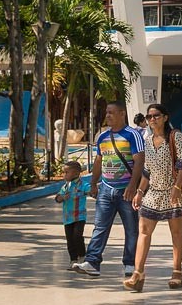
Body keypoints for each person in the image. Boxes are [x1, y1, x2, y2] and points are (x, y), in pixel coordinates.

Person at [72, 101, 145, 278]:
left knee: (131, 228)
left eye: (112, 112)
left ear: (122, 114)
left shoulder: (132, 135)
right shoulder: (102, 137)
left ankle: (130, 263)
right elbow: (99, 161)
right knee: (100, 227)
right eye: (107, 112)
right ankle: (92, 262)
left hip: (125, 190)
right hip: (106, 189)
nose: (108, 115)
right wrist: (94, 183)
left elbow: (140, 160)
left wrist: (132, 186)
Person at [124, 103, 182, 292]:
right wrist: (139, 192)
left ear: (165, 117)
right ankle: (138, 274)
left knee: (176, 232)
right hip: (153, 192)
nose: (152, 119)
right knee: (144, 231)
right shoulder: (148, 139)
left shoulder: (175, 136)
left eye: (156, 115)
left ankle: (177, 272)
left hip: (173, 191)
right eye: (149, 116)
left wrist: (177, 187)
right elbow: (147, 171)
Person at [55, 160, 90, 270]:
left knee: (77, 236)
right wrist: (61, 198)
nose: (64, 175)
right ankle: (73, 259)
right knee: (70, 239)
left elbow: (91, 191)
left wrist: (92, 192)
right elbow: (58, 198)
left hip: (79, 216)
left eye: (66, 172)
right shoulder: (65, 187)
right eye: (64, 172)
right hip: (67, 218)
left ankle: (82, 256)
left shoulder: (83, 185)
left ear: (75, 173)